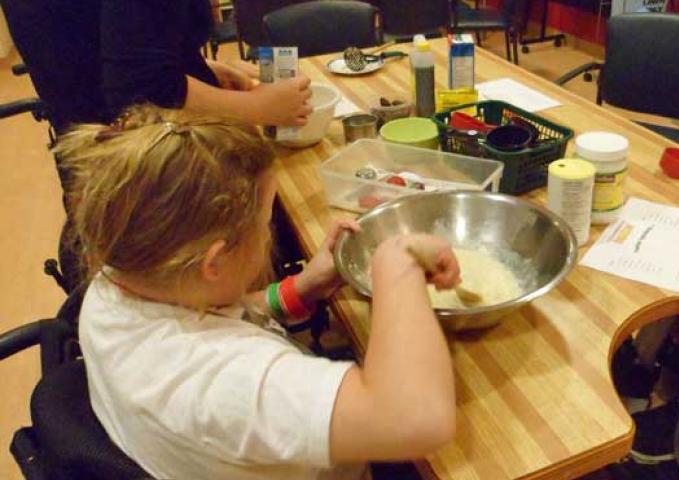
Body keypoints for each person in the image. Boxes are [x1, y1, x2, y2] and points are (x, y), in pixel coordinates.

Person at [56, 105, 460, 480]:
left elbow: (207, 316)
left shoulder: (115, 281)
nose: (267, 234)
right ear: (213, 262)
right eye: (265, 223)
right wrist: (398, 258)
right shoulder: (224, 384)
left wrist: (301, 288)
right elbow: (417, 419)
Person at [15, 0, 312, 134]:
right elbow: (140, 89)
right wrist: (259, 107)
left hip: (89, 152)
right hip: (134, 167)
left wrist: (198, 66)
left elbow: (97, 41)